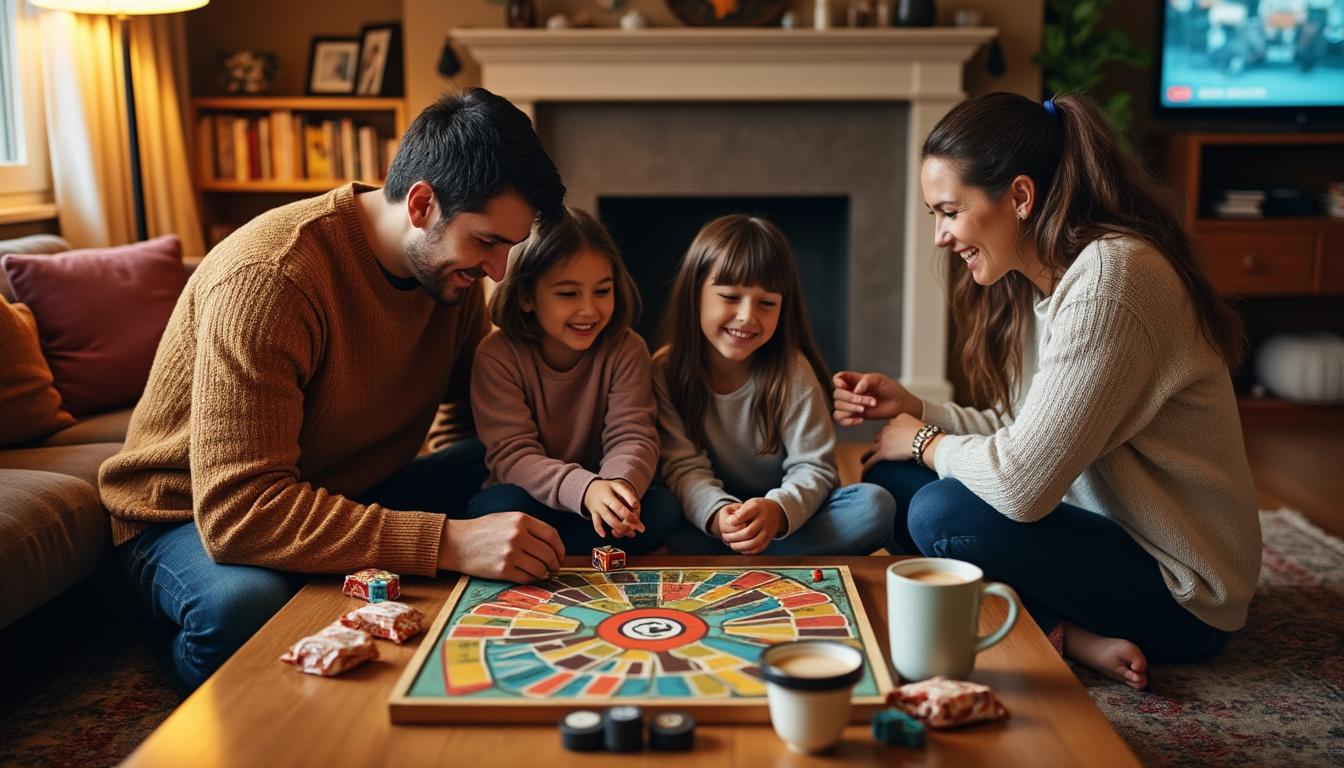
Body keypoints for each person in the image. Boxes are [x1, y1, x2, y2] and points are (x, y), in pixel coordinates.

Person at [97, 88, 568, 692]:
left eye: (509, 247)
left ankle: (337, 572)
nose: (497, 271)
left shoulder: (449, 275)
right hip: (188, 514)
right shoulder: (271, 278)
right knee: (245, 610)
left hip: (347, 485)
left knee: (523, 466)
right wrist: (448, 541)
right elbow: (239, 512)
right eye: (487, 242)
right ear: (421, 203)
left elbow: (472, 412)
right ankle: (172, 640)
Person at [833, 92, 1261, 690]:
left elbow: (1022, 485)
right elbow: (1022, 430)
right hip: (1100, 535)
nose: (940, 237)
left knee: (940, 511)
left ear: (1020, 197)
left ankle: (1051, 625)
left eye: (949, 212)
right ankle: (1069, 634)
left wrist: (927, 440)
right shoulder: (1052, 281)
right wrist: (916, 409)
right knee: (890, 478)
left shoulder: (1112, 283)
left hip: (1181, 592)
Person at [655, 214, 895, 556]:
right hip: (710, 522)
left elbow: (814, 468)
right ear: (695, 294)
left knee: (874, 506)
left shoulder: (792, 371)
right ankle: (755, 553)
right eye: (730, 297)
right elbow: (683, 467)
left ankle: (734, 555)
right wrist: (719, 516)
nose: (747, 316)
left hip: (784, 519)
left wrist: (777, 512)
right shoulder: (666, 370)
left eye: (766, 303)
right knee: (660, 509)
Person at [465, 207, 684, 553]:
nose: (589, 310)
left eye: (602, 291)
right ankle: (567, 548)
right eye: (568, 294)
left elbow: (632, 434)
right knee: (497, 508)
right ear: (526, 297)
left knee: (663, 509)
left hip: (600, 499)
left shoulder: (627, 348)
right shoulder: (497, 356)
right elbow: (513, 454)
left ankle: (554, 551)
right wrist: (584, 489)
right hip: (532, 497)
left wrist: (618, 490)